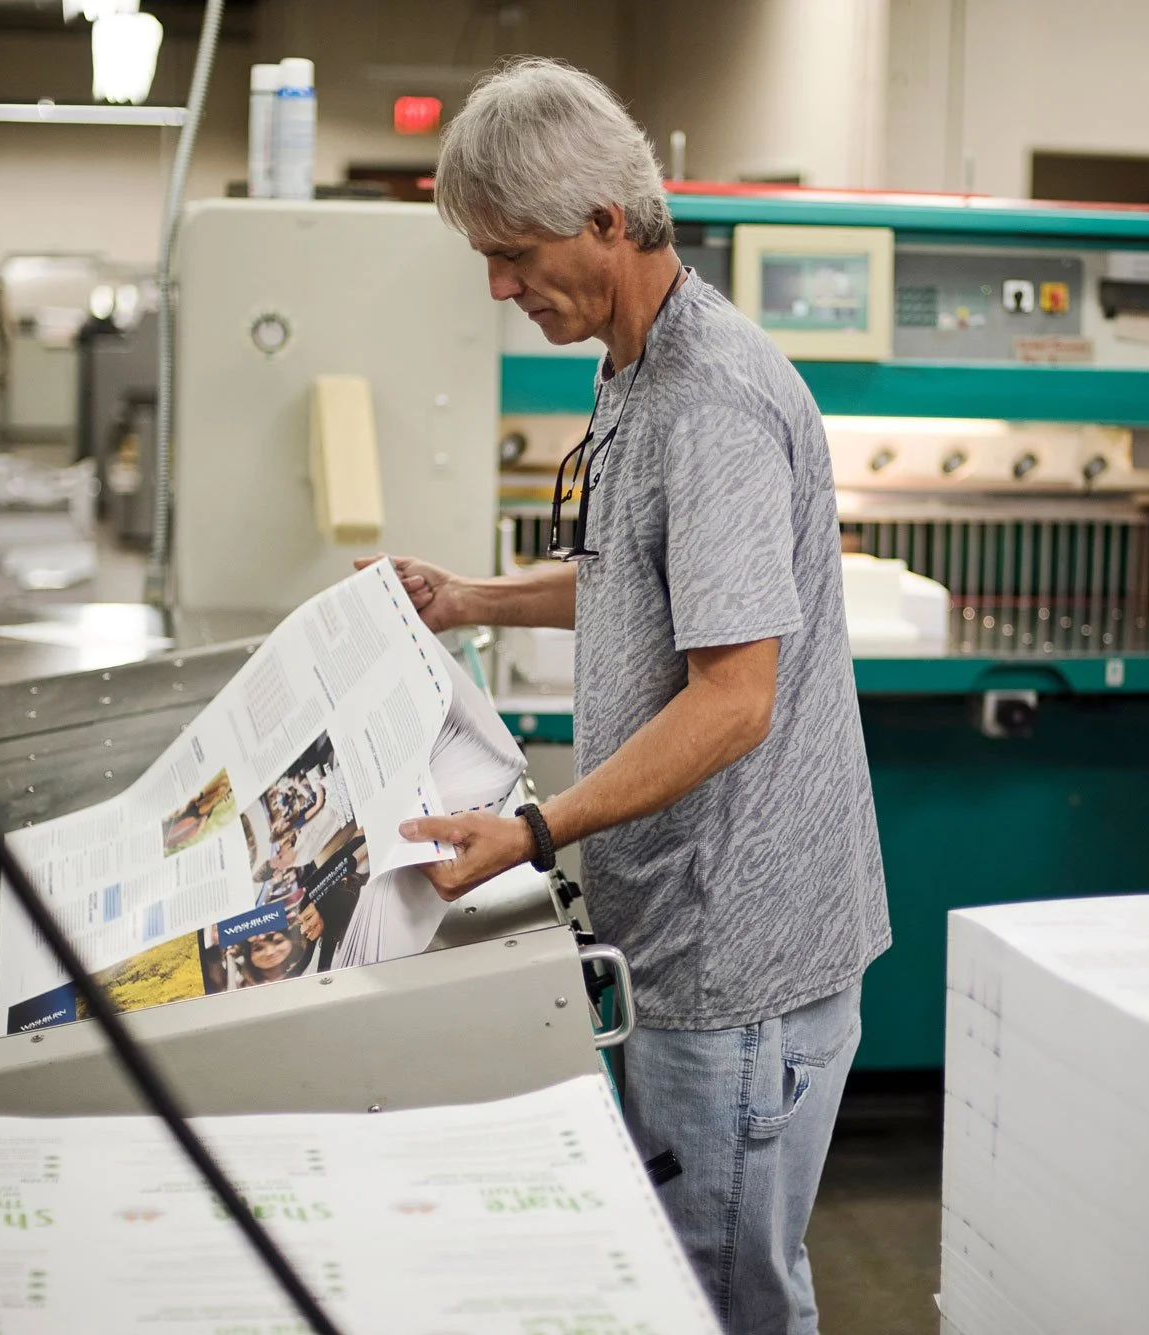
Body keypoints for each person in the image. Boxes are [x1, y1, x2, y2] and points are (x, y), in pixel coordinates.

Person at [370, 57, 889, 1335]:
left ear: (606, 222)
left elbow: (734, 699)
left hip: (737, 961)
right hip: (675, 933)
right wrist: (470, 602)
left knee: (716, 1293)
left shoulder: (709, 401)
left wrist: (537, 834)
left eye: (513, 253)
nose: (497, 286)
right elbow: (635, 589)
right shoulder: (632, 365)